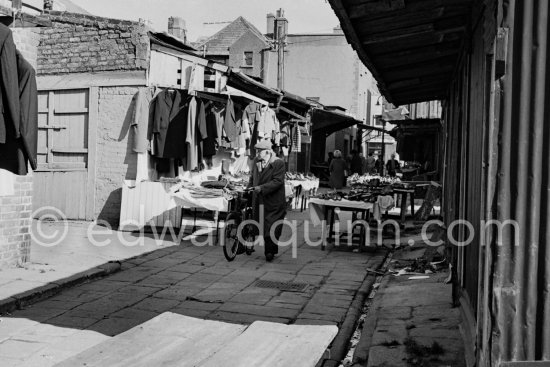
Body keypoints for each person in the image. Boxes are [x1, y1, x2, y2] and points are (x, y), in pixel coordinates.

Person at [248, 139, 286, 262]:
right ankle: (252, 246)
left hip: (274, 200)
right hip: (259, 199)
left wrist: (262, 188)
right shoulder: (256, 161)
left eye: (260, 151)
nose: (257, 153)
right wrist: (249, 188)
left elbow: (278, 181)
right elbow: (252, 177)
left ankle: (270, 252)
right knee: (260, 225)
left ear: (268, 152)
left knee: (272, 227)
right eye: (256, 150)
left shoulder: (278, 163)